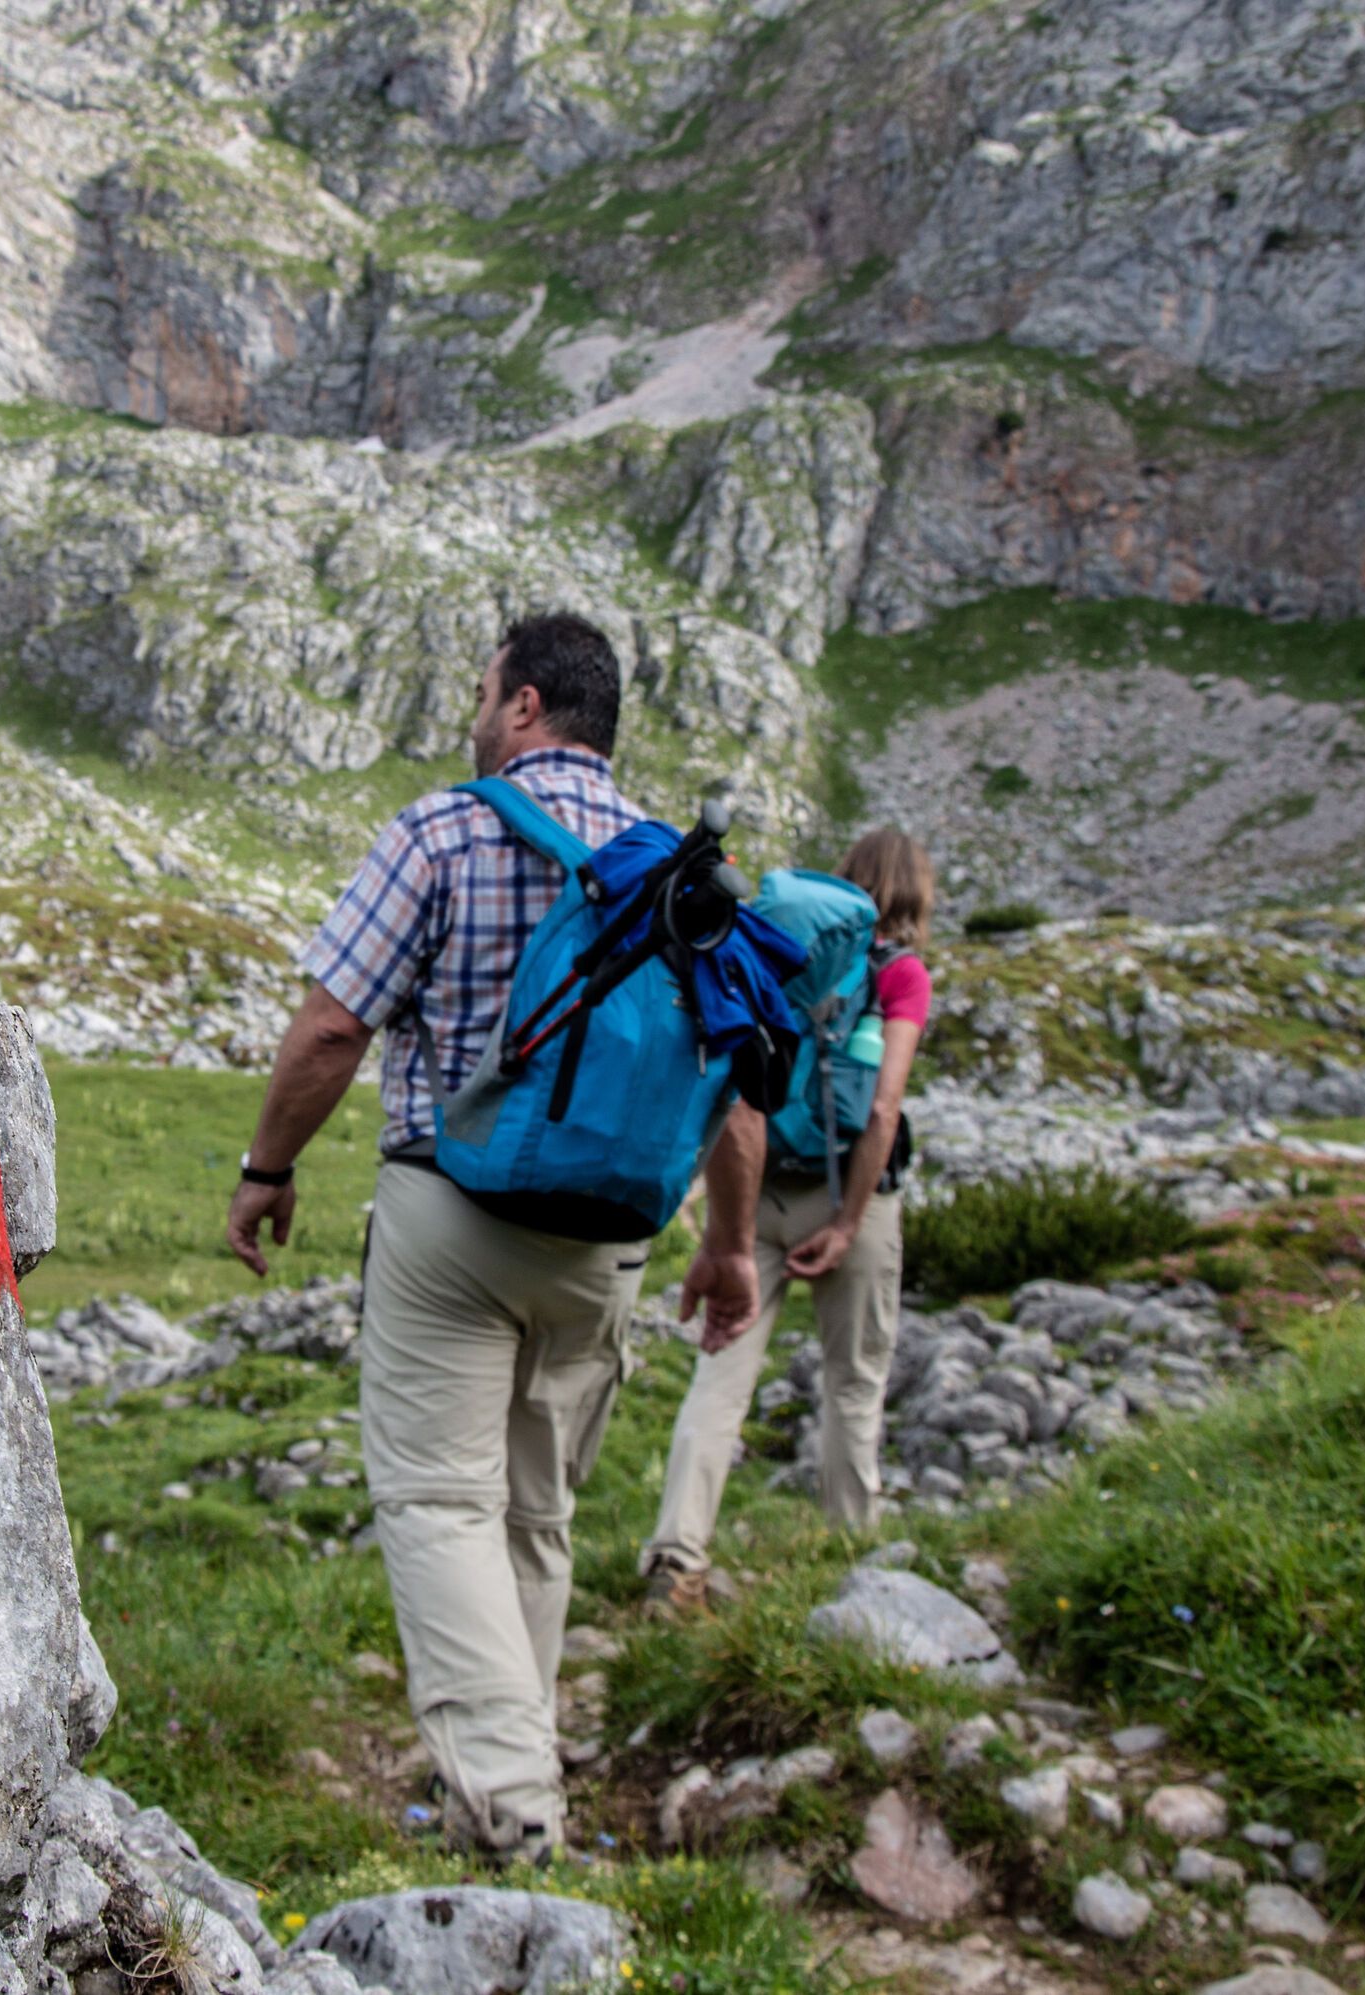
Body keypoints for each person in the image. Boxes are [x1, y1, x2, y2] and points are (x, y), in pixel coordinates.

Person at [222, 612, 761, 1865]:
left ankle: (516, 1811)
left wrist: (268, 1168)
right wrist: (729, 1247)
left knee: (437, 1503)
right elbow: (739, 1094)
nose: (475, 715)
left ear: (524, 707)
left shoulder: (443, 829)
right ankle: (511, 1769)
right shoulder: (676, 875)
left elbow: (330, 1033)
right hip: (610, 1245)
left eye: (483, 693)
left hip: (450, 1219)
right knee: (534, 1515)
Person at [641, 829, 936, 1609]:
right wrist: (844, 1222)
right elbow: (882, 1107)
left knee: (720, 1375)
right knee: (854, 1381)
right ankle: (851, 1562)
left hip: (759, 1192)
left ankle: (675, 1554)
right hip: (853, 1200)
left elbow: (734, 1073)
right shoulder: (901, 976)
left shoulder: (784, 953)